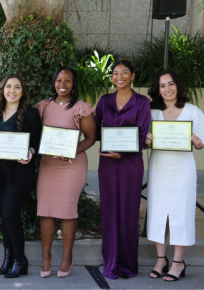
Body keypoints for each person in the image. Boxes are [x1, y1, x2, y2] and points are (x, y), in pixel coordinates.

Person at [34, 67, 96, 278]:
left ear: (73, 84)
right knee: (46, 210)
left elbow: (90, 138)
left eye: (67, 81)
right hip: (48, 165)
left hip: (72, 165)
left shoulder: (81, 108)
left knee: (67, 210)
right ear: (54, 82)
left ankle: (67, 257)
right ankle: (46, 257)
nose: (63, 84)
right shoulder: (43, 106)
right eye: (59, 80)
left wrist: (72, 150)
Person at [0, 73, 42, 278]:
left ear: (22, 91)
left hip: (20, 174)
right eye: (8, 86)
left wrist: (30, 153)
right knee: (5, 218)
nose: (12, 91)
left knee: (9, 215)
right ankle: (8, 258)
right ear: (2, 89)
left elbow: (37, 142)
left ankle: (20, 260)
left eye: (17, 87)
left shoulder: (31, 114)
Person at [94, 60, 151, 279]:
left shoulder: (142, 102)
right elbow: (97, 129)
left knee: (128, 213)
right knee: (109, 212)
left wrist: (124, 152)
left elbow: (143, 133)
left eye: (124, 73)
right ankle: (111, 262)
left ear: (133, 76)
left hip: (131, 164)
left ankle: (127, 264)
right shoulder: (105, 100)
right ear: (112, 77)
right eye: (115, 73)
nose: (120, 77)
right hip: (108, 163)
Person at [145, 70, 204, 282]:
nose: (167, 89)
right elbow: (142, 139)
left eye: (171, 84)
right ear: (157, 90)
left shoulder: (193, 111)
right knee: (159, 212)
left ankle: (178, 263)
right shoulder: (151, 112)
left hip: (183, 170)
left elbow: (201, 142)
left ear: (178, 86)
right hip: (159, 168)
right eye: (162, 85)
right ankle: (161, 259)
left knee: (181, 213)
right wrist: (147, 141)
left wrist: (198, 143)